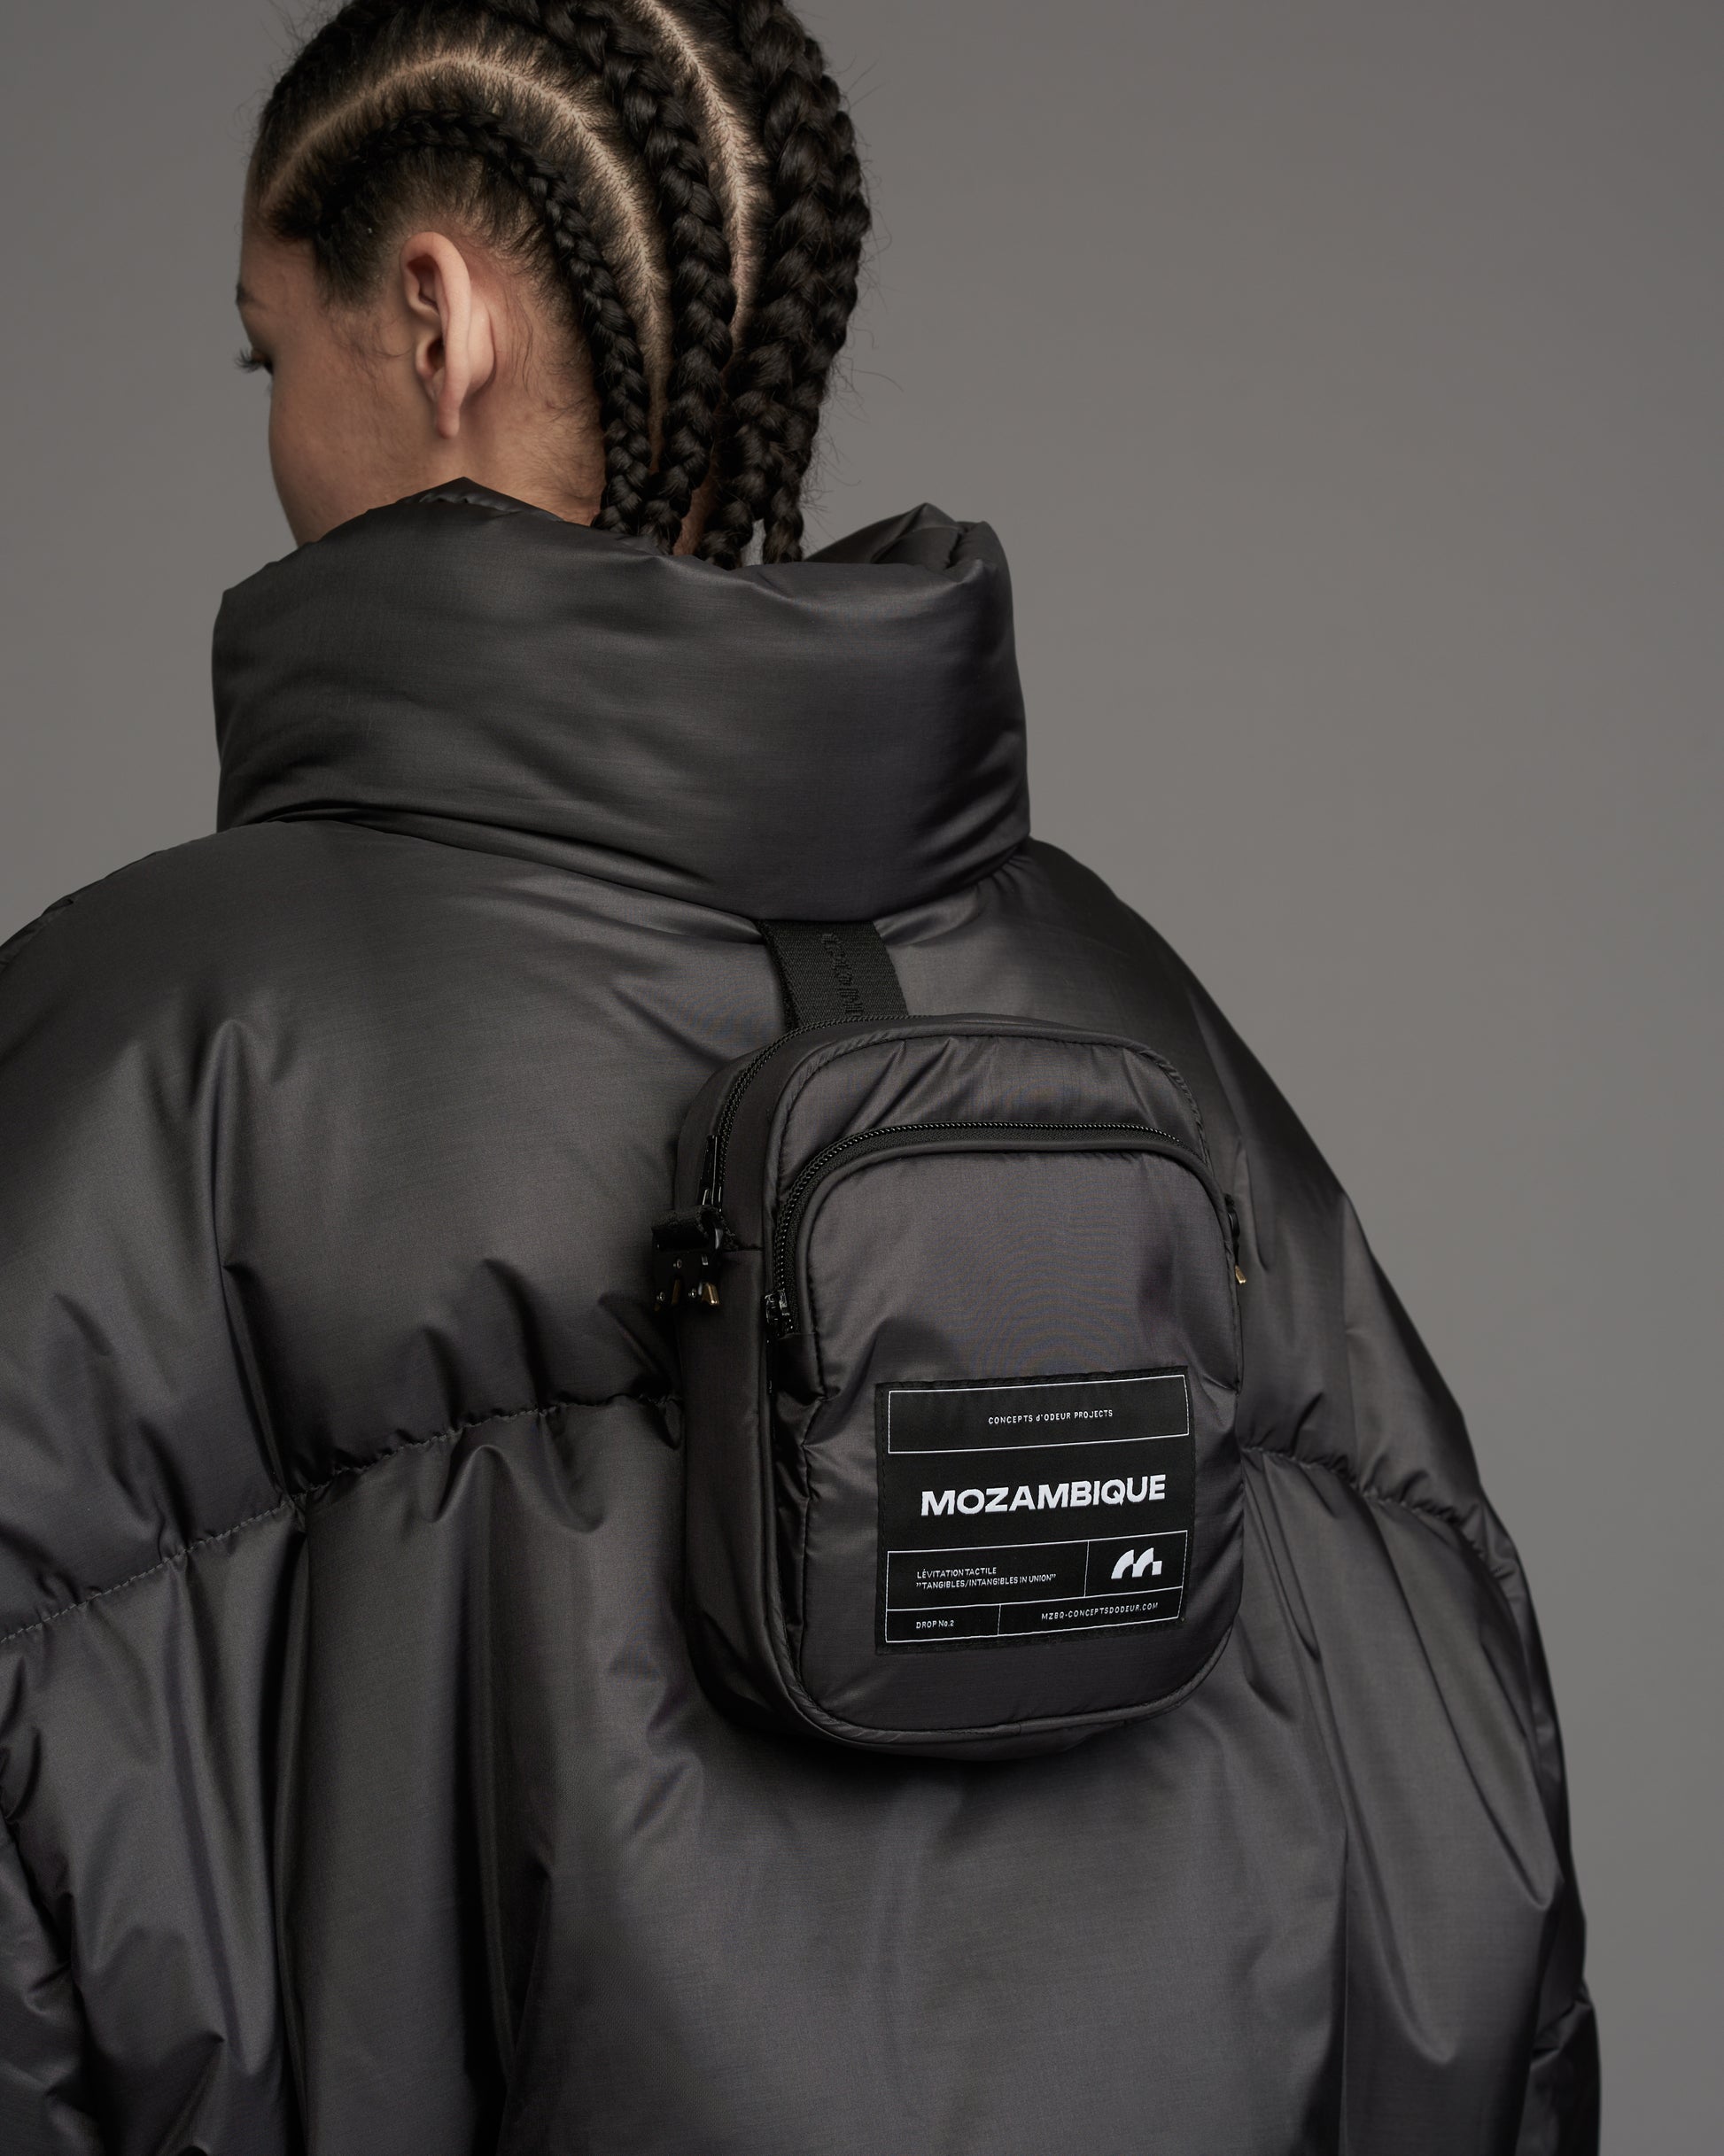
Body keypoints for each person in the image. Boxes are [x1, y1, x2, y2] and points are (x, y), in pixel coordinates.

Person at [0, 3, 1598, 2150]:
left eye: (263, 351)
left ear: (436, 322)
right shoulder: (1157, 1027)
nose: (272, 431)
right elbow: (1473, 1884)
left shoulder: (132, 1061)